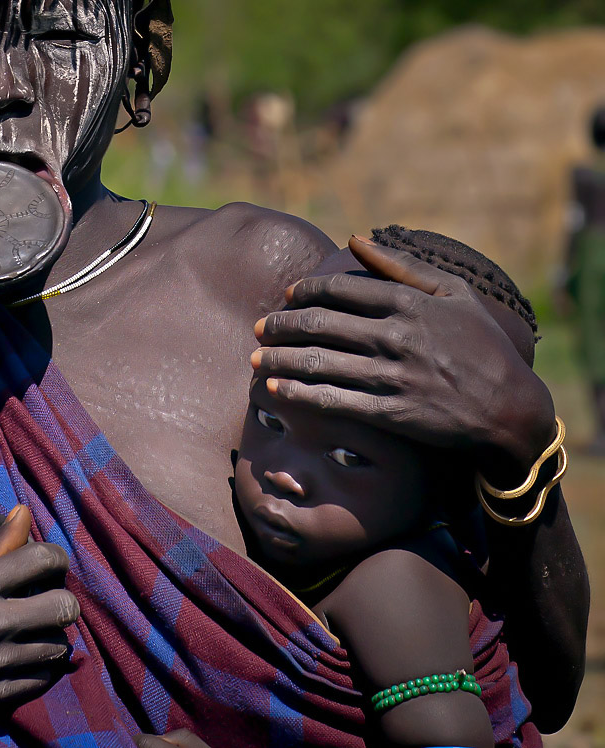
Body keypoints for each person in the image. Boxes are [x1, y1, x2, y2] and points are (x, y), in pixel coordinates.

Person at [0, 1, 588, 746]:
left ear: (139, 62)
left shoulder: (265, 288)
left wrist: (516, 439)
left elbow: (531, 689)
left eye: (58, 31)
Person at [234, 227, 552, 748]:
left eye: (346, 458)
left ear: (446, 493)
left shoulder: (395, 588)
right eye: (271, 423)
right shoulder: (342, 552)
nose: (284, 474)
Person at [563, 106, 605, 453]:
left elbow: (575, 224)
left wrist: (564, 273)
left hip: (592, 260)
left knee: (594, 343)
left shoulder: (584, 174)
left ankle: (603, 432)